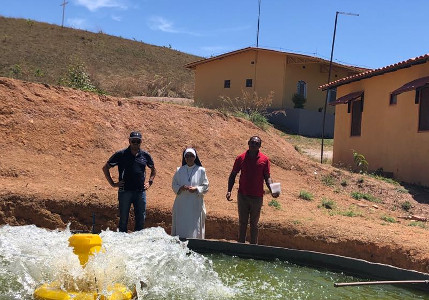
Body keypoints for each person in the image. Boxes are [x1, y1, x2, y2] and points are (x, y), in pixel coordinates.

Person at [226, 136, 279, 244]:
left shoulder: (264, 160)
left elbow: (267, 176)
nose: (254, 145)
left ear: (259, 146)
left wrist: (273, 189)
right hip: (243, 195)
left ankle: (253, 246)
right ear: (248, 143)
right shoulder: (240, 158)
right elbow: (233, 175)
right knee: (242, 222)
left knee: (254, 223)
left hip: (257, 196)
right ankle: (241, 245)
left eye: (256, 143)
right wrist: (229, 190)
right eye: (252, 142)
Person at [102, 131, 156, 232]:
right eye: (133, 141)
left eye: (138, 141)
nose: (135, 143)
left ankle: (138, 242)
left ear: (141, 142)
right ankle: (122, 242)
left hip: (140, 192)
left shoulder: (145, 156)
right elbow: (105, 168)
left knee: (141, 219)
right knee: (123, 219)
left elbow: (153, 170)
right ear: (129, 141)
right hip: (125, 191)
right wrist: (113, 184)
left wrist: (149, 182)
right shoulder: (121, 154)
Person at [171, 147, 209, 239]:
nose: (189, 158)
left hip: (195, 204)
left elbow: (206, 186)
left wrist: (196, 189)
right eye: (187, 156)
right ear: (184, 158)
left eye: (191, 156)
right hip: (182, 204)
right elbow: (174, 184)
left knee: (194, 225)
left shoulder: (201, 170)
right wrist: (181, 188)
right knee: (182, 223)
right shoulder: (179, 170)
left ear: (195, 157)